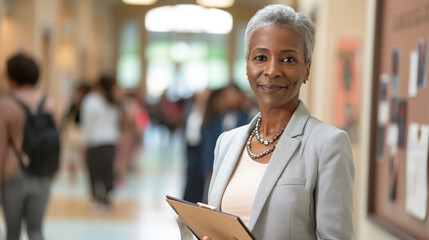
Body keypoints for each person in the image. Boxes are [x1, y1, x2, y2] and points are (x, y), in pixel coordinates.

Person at [201, 4, 354, 240]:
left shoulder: (328, 144)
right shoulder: (227, 142)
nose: (272, 70)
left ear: (306, 70)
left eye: (288, 59)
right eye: (261, 57)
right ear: (247, 66)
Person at [0, 53, 59, 240]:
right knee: (36, 229)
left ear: (12, 77)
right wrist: (54, 170)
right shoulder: (49, 103)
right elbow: (58, 140)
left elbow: (0, 146)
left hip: (13, 173)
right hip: (43, 172)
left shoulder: (6, 105)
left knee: (12, 232)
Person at [80, 75, 122, 213]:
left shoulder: (91, 100)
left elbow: (87, 124)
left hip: (95, 141)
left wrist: (85, 143)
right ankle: (105, 199)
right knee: (107, 171)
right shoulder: (114, 101)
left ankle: (98, 199)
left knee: (95, 172)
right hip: (110, 141)